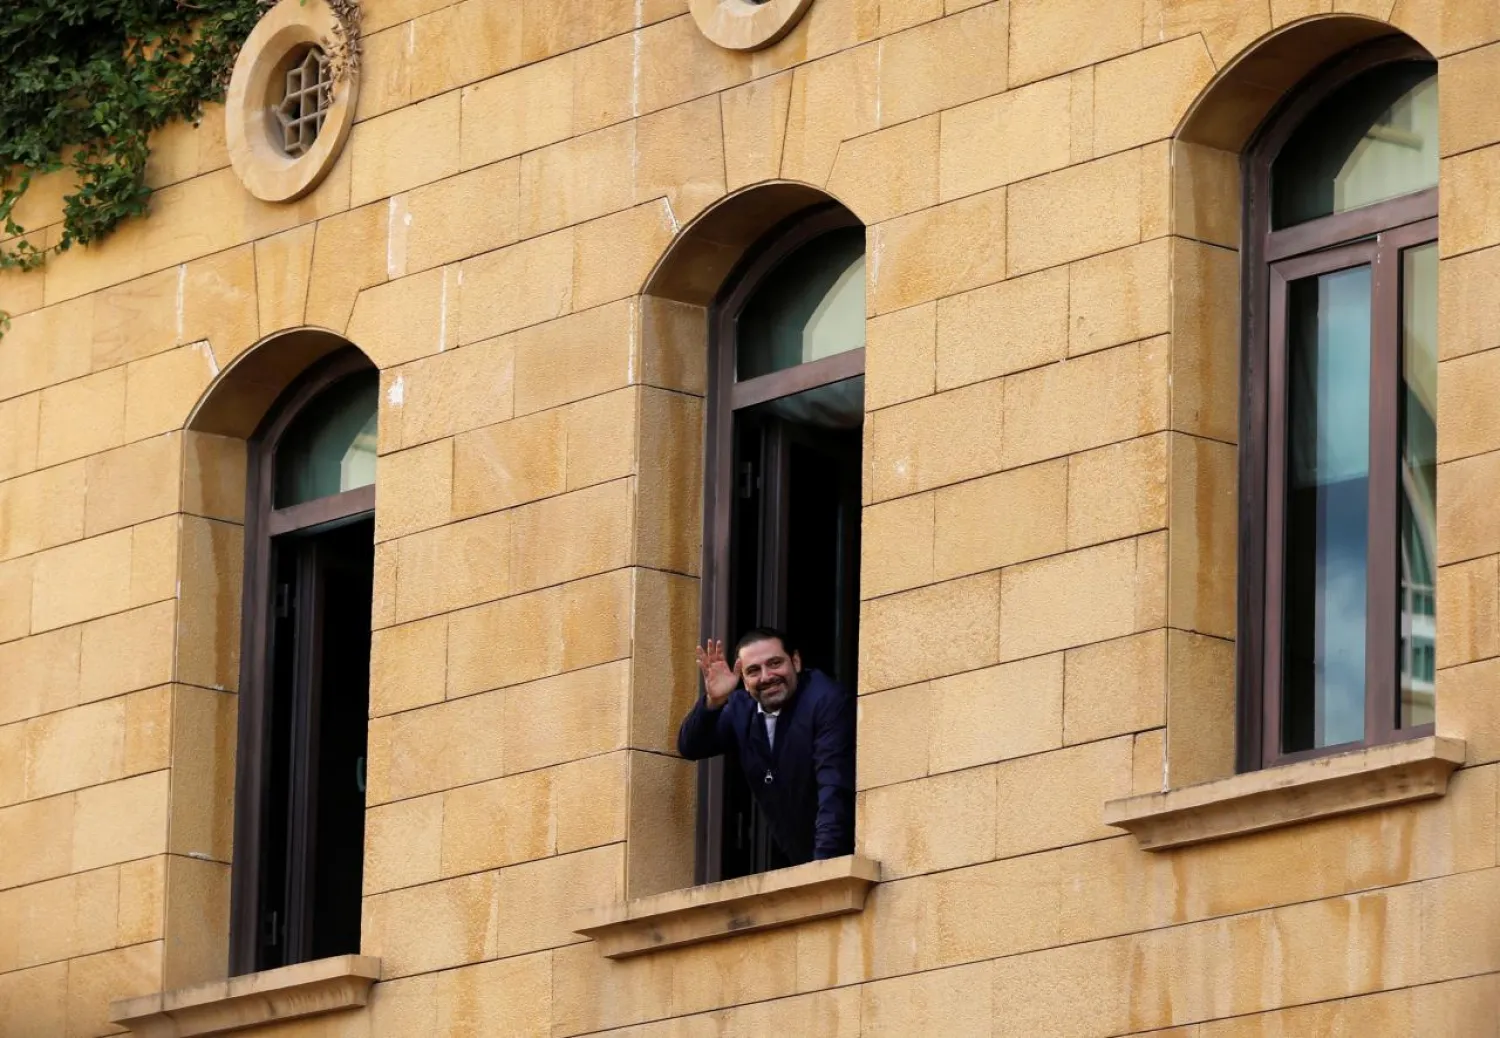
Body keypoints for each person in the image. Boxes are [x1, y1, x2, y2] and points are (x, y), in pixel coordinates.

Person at [677, 627, 855, 866]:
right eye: (753, 670)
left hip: (841, 859)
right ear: (743, 680)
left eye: (774, 663)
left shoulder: (825, 700)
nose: (766, 676)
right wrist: (714, 701)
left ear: (796, 662)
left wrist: (822, 871)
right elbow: (691, 746)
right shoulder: (741, 708)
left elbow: (834, 788)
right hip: (799, 859)